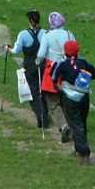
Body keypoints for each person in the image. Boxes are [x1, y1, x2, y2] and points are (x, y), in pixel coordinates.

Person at [51, 39, 95, 164]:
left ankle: (84, 153)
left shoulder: (62, 64)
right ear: (77, 51)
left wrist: (59, 88)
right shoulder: (83, 62)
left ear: (65, 52)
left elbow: (54, 78)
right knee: (82, 123)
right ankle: (79, 149)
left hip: (70, 98)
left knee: (75, 125)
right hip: (84, 98)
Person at [36, 11, 75, 139]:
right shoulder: (69, 34)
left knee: (52, 101)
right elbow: (75, 50)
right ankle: (72, 125)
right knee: (67, 99)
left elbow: (41, 54)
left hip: (52, 70)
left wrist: (37, 62)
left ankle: (63, 125)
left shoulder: (47, 35)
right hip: (68, 69)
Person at [7, 9, 48, 128]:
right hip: (43, 65)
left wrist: (8, 49)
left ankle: (42, 118)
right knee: (43, 91)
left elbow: (16, 50)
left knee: (33, 93)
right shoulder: (45, 33)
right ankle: (44, 115)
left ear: (30, 20)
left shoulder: (23, 34)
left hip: (30, 66)